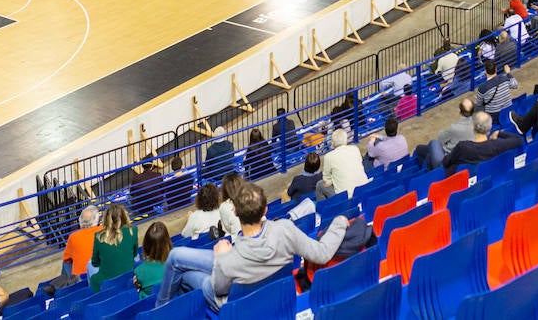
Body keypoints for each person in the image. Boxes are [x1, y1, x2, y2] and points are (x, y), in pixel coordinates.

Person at [155, 182, 349, 310]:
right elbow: (322, 253)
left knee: (182, 268)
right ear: (265, 209)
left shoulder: (229, 258)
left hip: (235, 302)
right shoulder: (285, 229)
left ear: (235, 213)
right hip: (266, 286)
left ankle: (159, 311)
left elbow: (220, 289)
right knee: (182, 266)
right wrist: (340, 221)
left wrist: (222, 257)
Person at [442, 110, 522, 175]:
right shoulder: (497, 144)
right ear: (490, 127)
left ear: (472, 127)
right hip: (485, 174)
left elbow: (446, 162)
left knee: (434, 145)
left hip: (462, 176)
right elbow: (518, 139)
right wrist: (499, 133)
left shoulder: (463, 146)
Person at [415, 97, 476, 169]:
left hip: (449, 157)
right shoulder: (476, 124)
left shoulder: (455, 128)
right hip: (464, 156)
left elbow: (440, 138)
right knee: (429, 154)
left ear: (460, 111)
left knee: (432, 143)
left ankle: (426, 170)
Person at [89, 203, 138, 292]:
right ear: (124, 216)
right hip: (128, 275)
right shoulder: (133, 231)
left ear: (106, 218)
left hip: (106, 279)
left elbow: (95, 262)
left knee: (90, 267)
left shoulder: (99, 236)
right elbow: (135, 254)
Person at [320, 129, 368, 197]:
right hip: (365, 188)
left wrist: (333, 179)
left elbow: (326, 179)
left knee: (320, 184)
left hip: (347, 196)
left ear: (332, 143)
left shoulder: (328, 157)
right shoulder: (355, 149)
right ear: (346, 140)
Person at [134, 221, 171, 298]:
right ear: (167, 242)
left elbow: (143, 298)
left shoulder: (139, 271)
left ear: (146, 245)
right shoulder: (179, 263)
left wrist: (138, 288)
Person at [62, 205, 102, 275]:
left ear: (80, 221)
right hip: (103, 273)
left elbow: (67, 260)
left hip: (81, 277)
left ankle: (66, 282)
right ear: (97, 220)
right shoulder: (104, 230)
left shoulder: (73, 237)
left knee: (66, 261)